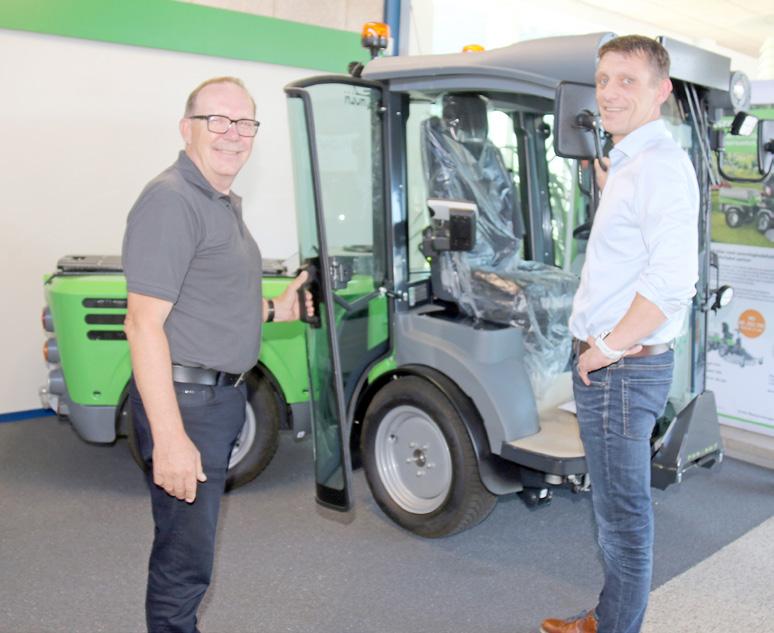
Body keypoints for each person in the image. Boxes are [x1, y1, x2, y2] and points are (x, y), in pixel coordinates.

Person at [122, 76, 311, 633]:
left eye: (245, 122)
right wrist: (171, 439)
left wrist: (275, 310)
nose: (234, 134)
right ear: (188, 129)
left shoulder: (216, 200)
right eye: (218, 121)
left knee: (191, 550)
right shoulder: (172, 199)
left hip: (215, 400)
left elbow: (207, 298)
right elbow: (142, 324)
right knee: (184, 560)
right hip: (188, 405)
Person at [540, 36, 699, 633]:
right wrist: (611, 186)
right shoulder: (633, 163)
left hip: (620, 370)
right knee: (614, 509)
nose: (608, 92)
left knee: (622, 518)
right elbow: (639, 247)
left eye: (627, 80)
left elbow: (672, 282)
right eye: (604, 79)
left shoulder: (658, 167)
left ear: (662, 91)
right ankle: (606, 618)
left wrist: (604, 350)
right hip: (619, 366)